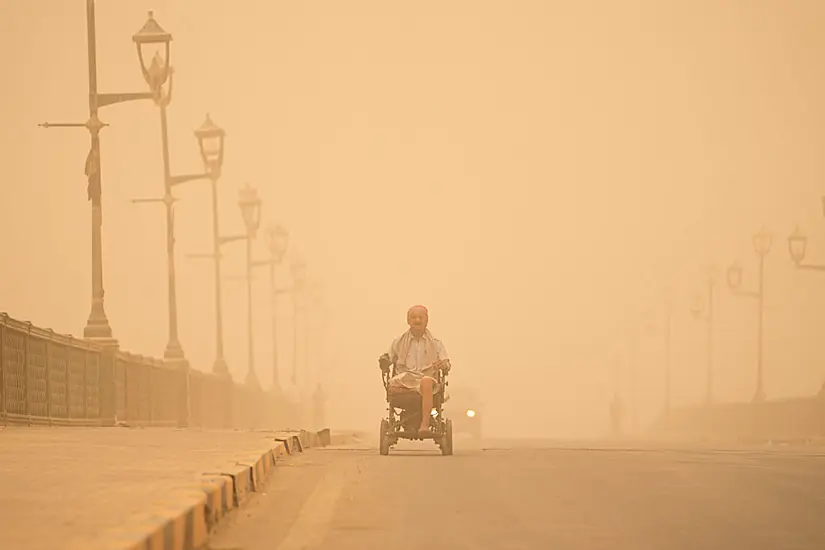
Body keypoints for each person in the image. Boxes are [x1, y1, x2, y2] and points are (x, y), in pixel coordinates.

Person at [379, 305, 451, 436]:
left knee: (426, 381)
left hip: (427, 381)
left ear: (426, 320)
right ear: (408, 320)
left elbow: (446, 363)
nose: (417, 320)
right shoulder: (398, 342)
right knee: (400, 381)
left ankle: (424, 426)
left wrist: (443, 365)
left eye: (420, 317)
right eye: (413, 317)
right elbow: (389, 358)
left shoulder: (436, 343)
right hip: (404, 379)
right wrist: (384, 361)